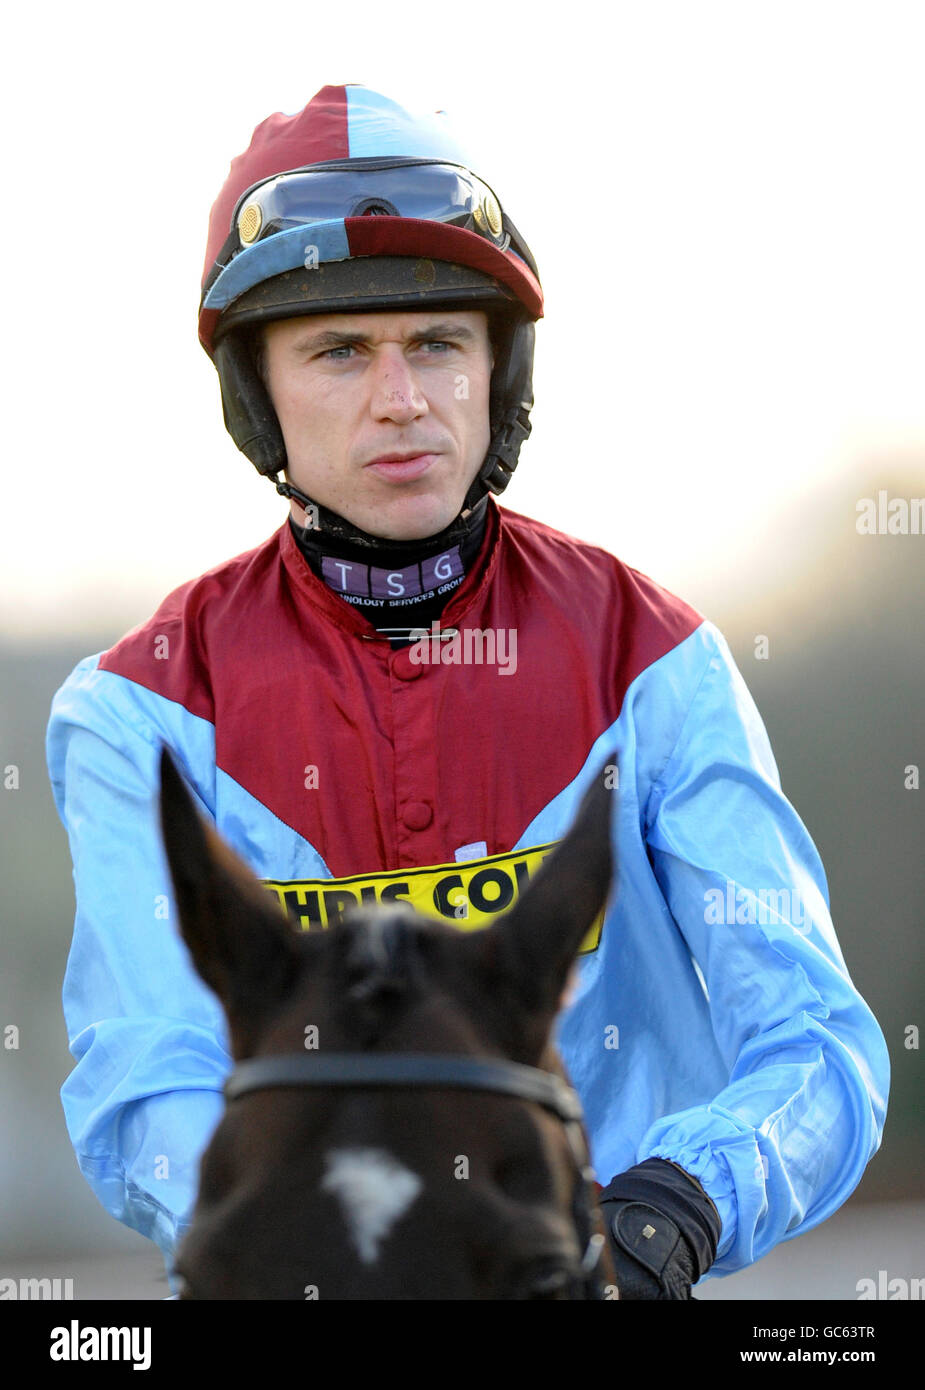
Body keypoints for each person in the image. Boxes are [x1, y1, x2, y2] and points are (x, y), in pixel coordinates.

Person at [47, 83, 889, 1300]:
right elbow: (150, 1078)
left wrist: (667, 1214)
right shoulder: (133, 710)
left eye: (437, 342)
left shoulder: (655, 658)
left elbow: (818, 1049)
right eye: (340, 351)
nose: (403, 400)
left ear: (500, 367)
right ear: (257, 395)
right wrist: (325, 1235)